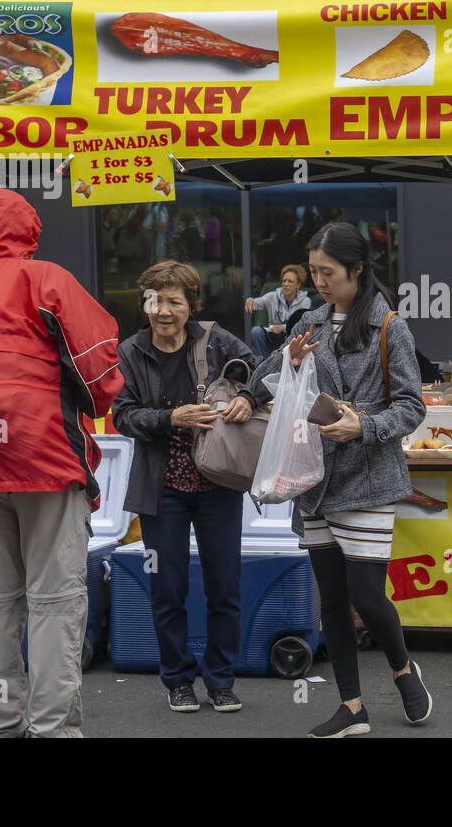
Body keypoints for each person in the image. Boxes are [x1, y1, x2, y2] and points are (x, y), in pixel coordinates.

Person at [0, 185, 123, 738]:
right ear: (30, 232)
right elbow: (99, 370)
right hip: (45, 454)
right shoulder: (45, 279)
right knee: (55, 600)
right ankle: (53, 728)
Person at [235, 222, 432, 738]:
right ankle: (352, 707)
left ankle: (403, 669)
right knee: (329, 599)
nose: (319, 281)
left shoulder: (390, 327)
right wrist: (289, 360)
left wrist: (362, 425)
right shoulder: (310, 323)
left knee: (367, 596)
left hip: (367, 476)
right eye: (314, 272)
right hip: (313, 477)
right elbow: (263, 380)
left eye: (328, 273)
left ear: (357, 270)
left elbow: (411, 407)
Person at [112, 260, 257, 715]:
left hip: (217, 484)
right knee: (167, 588)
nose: (164, 311)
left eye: (175, 301)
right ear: (144, 303)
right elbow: (121, 414)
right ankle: (177, 679)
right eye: (155, 300)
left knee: (225, 586)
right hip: (161, 491)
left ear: (191, 305)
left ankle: (221, 680)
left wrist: (245, 399)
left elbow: (262, 373)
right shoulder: (130, 351)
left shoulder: (216, 340)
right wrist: (168, 418)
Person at [244, 263, 310, 358]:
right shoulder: (273, 296)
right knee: (256, 331)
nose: (286, 284)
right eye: (284, 281)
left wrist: (282, 328)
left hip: (291, 340)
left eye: (290, 281)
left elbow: (301, 325)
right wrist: (251, 301)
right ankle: (263, 363)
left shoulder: (305, 301)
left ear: (298, 285)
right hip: (273, 337)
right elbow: (259, 302)